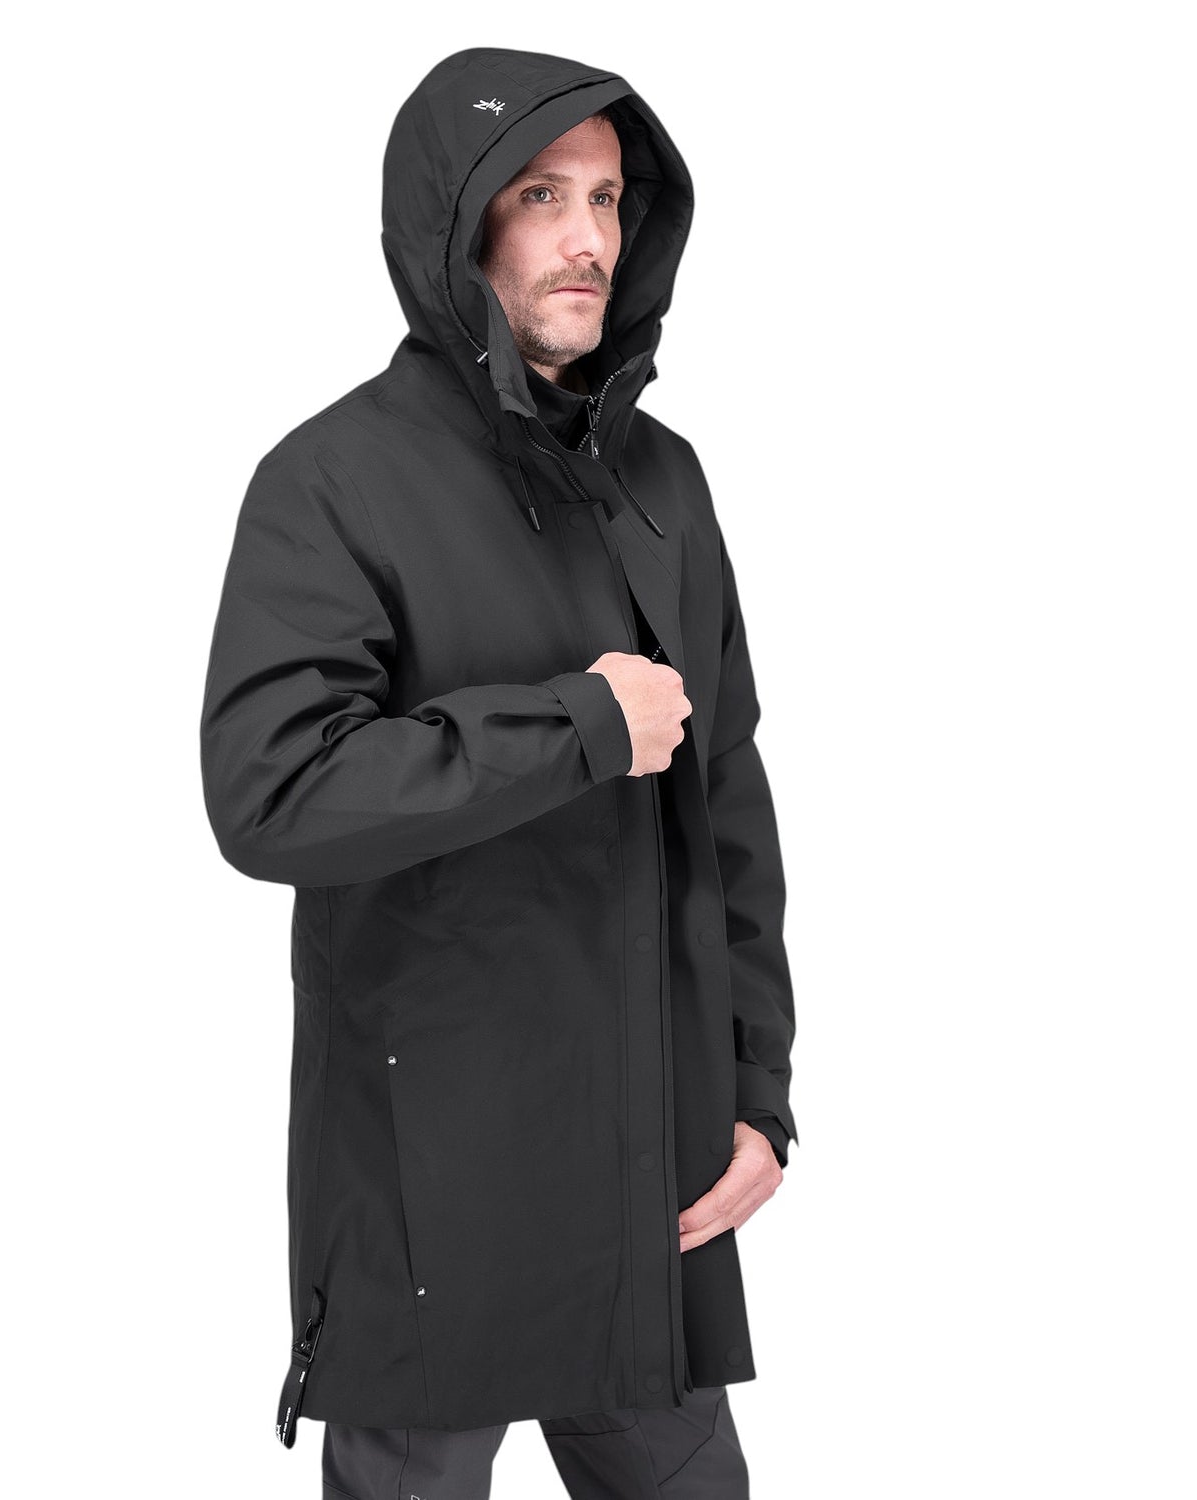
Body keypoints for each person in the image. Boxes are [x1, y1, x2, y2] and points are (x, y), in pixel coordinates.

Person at [200, 45, 800, 1500]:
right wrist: (574, 726)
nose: (589, 237)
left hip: (645, 1187)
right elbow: (272, 795)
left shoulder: (666, 481)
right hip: (437, 1197)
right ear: (456, 221)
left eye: (608, 197)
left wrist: (756, 1086)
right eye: (542, 195)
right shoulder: (331, 481)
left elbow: (724, 799)